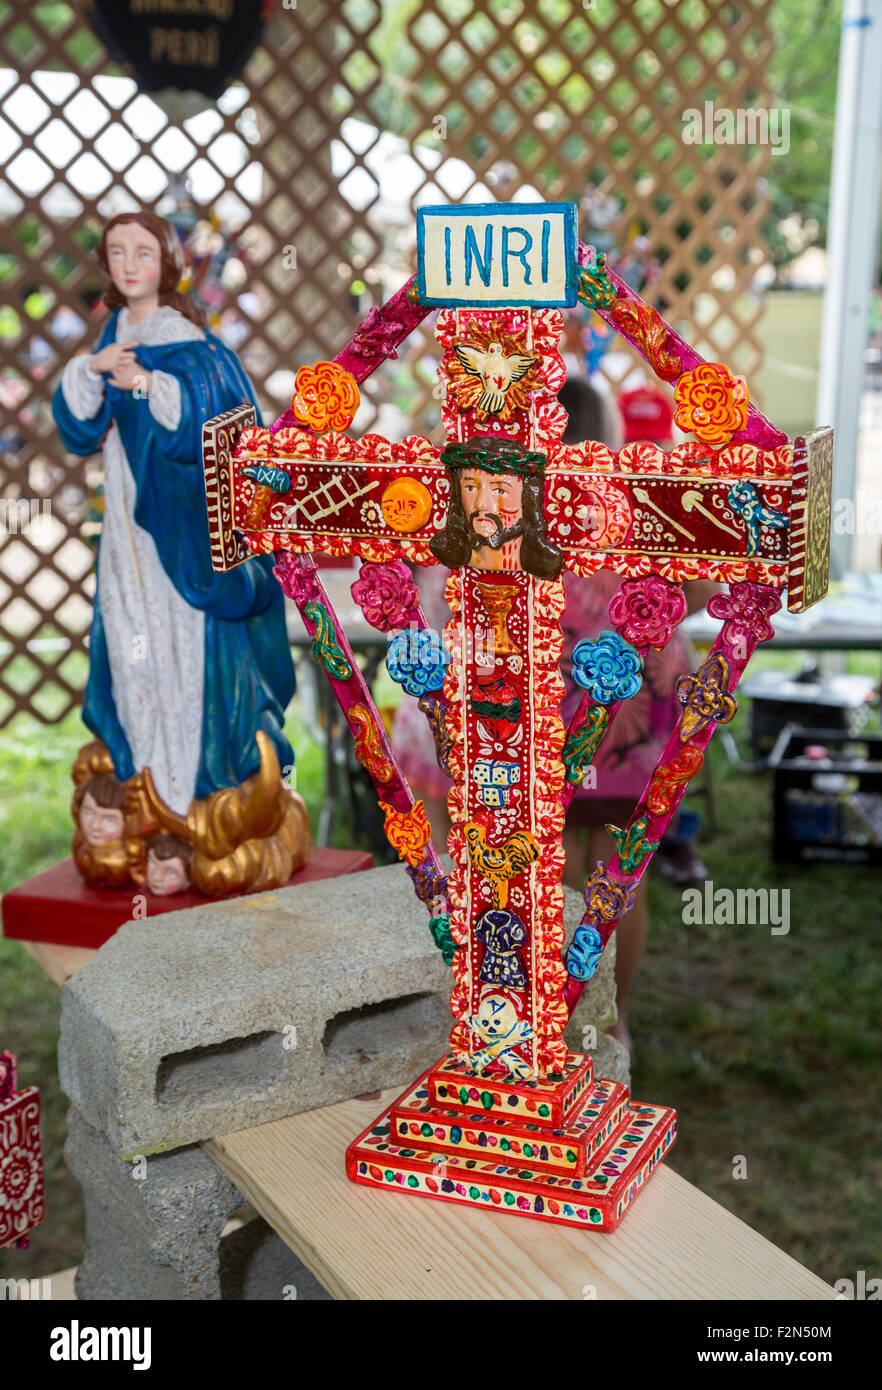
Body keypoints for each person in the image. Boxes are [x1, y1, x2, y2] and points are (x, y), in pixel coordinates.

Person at [52, 211, 295, 828]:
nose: (130, 265)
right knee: (132, 637)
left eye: (143, 253)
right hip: (129, 529)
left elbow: (214, 426)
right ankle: (146, 780)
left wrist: (144, 383)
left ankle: (197, 788)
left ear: (166, 264)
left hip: (182, 531)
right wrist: (94, 369)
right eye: (117, 252)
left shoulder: (192, 346)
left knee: (180, 638)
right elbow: (79, 429)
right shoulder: (113, 334)